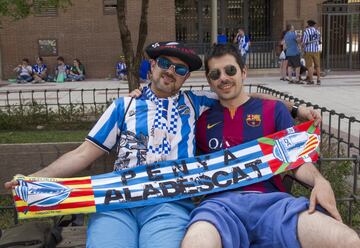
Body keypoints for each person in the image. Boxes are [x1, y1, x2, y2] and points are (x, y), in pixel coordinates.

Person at [5, 41, 320, 248]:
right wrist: (36, 178)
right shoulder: (123, 107)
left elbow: (241, 95)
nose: (171, 70)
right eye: (165, 64)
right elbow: (84, 153)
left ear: (185, 78)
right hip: (116, 205)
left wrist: (294, 109)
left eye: (180, 69)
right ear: (152, 67)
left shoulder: (196, 104)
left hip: (169, 206)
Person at [181, 43, 360, 248]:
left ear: (244, 72)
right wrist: (138, 96)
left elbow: (296, 161)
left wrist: (319, 181)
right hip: (219, 207)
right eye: (215, 74)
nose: (223, 78)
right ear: (210, 82)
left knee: (348, 241)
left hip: (273, 204)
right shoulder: (201, 120)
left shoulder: (273, 110)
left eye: (230, 70)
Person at [303, 19, 322, 85]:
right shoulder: (318, 32)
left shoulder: (306, 32)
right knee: (317, 65)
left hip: (308, 50)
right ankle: (318, 79)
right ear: (314, 25)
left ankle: (311, 80)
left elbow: (304, 42)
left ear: (308, 24)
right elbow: (319, 42)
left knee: (309, 65)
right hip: (316, 50)